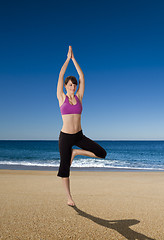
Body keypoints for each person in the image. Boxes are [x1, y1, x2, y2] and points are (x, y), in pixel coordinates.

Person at [57, 46, 107, 207]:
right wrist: (66, 59)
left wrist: (74, 59)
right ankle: (69, 197)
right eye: (70, 85)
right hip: (65, 136)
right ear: (65, 86)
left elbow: (82, 76)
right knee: (65, 168)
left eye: (74, 85)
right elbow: (60, 75)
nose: (73, 87)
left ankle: (76, 152)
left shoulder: (79, 97)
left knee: (101, 153)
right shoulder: (61, 97)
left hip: (79, 135)